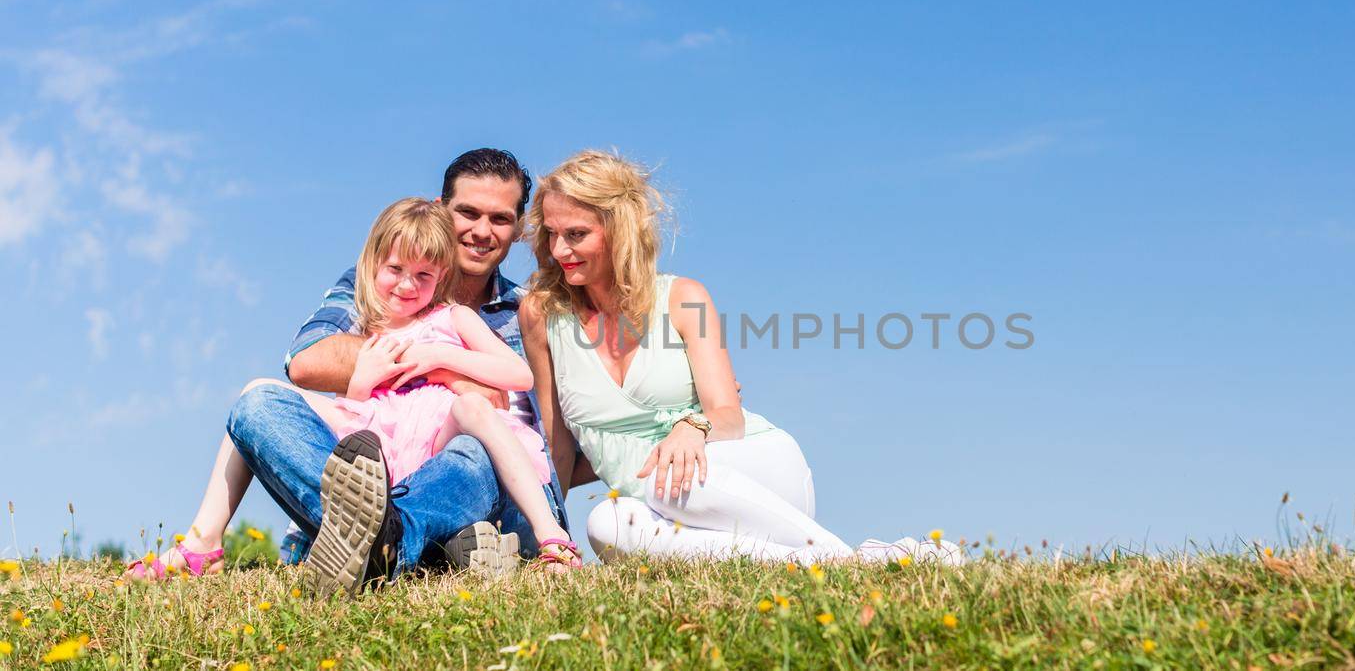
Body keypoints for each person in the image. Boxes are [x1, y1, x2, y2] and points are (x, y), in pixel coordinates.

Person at [127, 199, 581, 590]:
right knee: (255, 395)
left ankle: (551, 539)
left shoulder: (454, 318)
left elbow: (517, 374)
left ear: (442, 274)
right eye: (395, 270)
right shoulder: (368, 327)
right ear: (373, 264)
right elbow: (359, 410)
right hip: (386, 456)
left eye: (423, 275)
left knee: (472, 408)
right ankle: (203, 543)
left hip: (441, 448)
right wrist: (365, 373)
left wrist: (439, 360)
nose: (407, 285)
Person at [224, 149, 568, 587]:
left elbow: (545, 402)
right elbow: (307, 362)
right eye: (468, 212)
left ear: (518, 227)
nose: (482, 231)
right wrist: (442, 371)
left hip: (485, 483)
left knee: (479, 446)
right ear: (441, 211)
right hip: (394, 463)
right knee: (260, 404)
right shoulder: (374, 283)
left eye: (499, 219)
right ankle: (396, 543)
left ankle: (383, 539)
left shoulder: (529, 310)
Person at [522, 150, 860, 563]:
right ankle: (832, 558)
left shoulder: (684, 298)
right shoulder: (542, 314)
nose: (559, 250)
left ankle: (847, 560)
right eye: (552, 234)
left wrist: (691, 426)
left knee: (668, 481)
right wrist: (550, 538)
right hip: (656, 495)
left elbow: (728, 415)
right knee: (607, 524)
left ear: (619, 230)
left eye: (575, 235)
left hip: (742, 466)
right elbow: (556, 446)